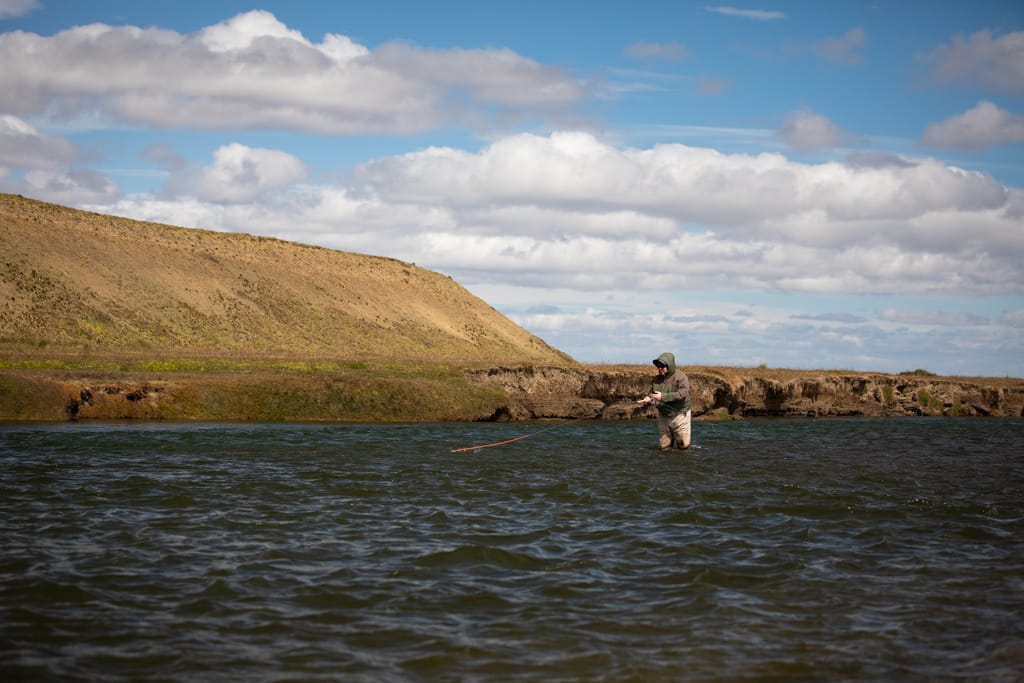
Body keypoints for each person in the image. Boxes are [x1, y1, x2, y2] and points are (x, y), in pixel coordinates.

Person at [638, 352, 691, 451]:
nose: (660, 368)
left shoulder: (681, 377)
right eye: (658, 366)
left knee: (683, 446)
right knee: (664, 447)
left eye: (662, 366)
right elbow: (653, 394)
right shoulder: (656, 379)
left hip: (680, 414)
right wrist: (649, 398)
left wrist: (663, 396)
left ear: (669, 365)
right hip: (663, 414)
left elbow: (682, 394)